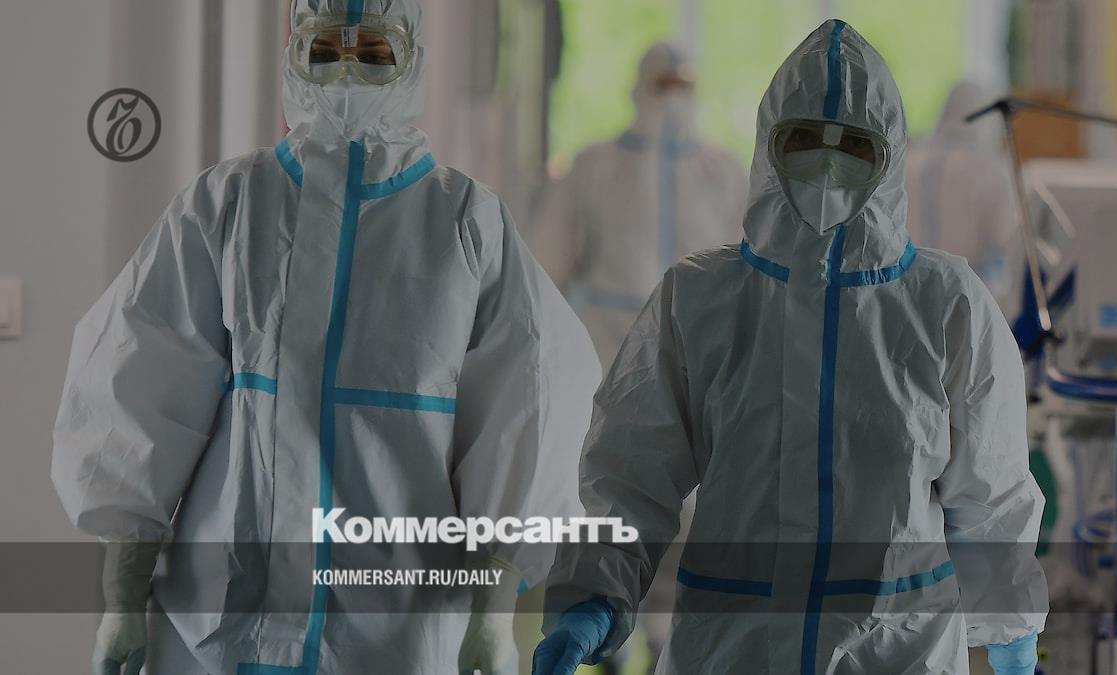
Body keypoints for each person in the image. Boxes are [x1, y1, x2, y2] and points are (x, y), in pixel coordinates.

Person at [52, 1, 600, 673]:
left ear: (412, 61)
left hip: (396, 626)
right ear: (293, 57)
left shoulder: (466, 222)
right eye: (325, 51)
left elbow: (530, 411)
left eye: (373, 53)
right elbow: (134, 391)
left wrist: (493, 612)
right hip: (221, 622)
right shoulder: (227, 203)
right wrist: (122, 595)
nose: (346, 73)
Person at [534, 19, 1048, 675]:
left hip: (896, 653)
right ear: (767, 144)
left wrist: (1009, 627)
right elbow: (629, 477)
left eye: (854, 145)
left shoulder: (948, 305)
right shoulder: (700, 299)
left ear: (889, 155)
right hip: (732, 650)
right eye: (803, 140)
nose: (827, 167)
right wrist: (592, 595)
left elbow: (992, 493)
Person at [532, 42, 747, 369]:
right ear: (640, 87)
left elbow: (744, 263)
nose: (671, 98)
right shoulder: (596, 165)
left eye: (681, 86)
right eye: (662, 85)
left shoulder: (723, 172)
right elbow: (548, 259)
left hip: (697, 341)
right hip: (607, 341)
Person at [904, 80, 1018, 300]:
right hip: (967, 293)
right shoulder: (989, 171)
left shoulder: (908, 161)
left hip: (908, 288)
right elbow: (1005, 238)